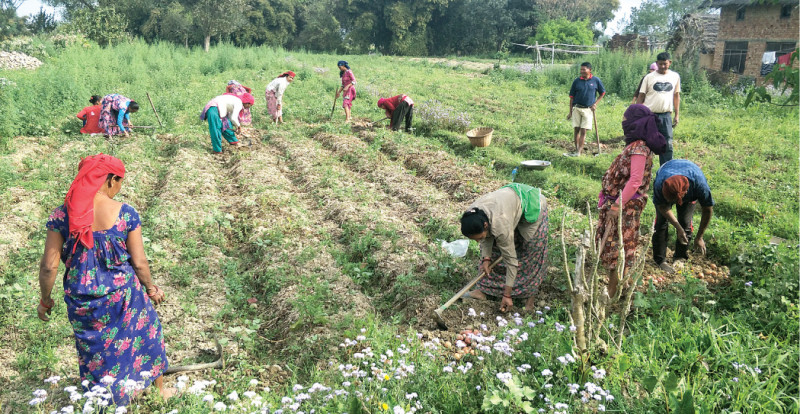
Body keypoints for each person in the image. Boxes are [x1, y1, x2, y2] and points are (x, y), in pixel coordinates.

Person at [37, 154, 170, 404]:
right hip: (124, 296)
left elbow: (48, 267)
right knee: (148, 333)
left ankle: (104, 401)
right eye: (120, 181)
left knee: (96, 353)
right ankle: (158, 392)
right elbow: (139, 263)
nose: (120, 187)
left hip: (83, 301)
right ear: (110, 179)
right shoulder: (125, 213)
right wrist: (151, 289)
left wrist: (45, 300)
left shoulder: (61, 215)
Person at [596, 104, 666, 297]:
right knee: (619, 243)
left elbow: (635, 180)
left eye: (626, 119)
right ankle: (621, 286)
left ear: (636, 123)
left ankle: (614, 291)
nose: (623, 122)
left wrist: (618, 205)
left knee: (618, 244)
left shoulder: (639, 148)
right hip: (622, 204)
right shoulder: (637, 146)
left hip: (626, 206)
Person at [460, 183, 549, 312]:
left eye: (479, 238)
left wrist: (507, 295)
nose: (478, 241)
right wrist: (486, 259)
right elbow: (485, 238)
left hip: (532, 207)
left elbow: (511, 262)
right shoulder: (472, 214)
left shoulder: (499, 224)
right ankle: (483, 291)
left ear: (486, 225)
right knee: (494, 250)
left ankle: (529, 300)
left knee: (530, 252)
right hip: (507, 207)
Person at [651, 159, 714, 273]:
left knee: (685, 223)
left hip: (690, 182)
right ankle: (660, 260)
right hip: (668, 169)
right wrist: (677, 227)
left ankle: (680, 257)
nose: (670, 202)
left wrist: (699, 237)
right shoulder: (660, 184)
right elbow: (663, 207)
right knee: (661, 223)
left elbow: (708, 209)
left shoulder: (699, 185)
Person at [636, 52, 681, 164]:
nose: (662, 66)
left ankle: (665, 172)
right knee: (646, 144)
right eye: (660, 64)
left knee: (667, 144)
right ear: (656, 63)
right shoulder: (649, 77)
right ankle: (644, 172)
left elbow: (676, 95)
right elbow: (641, 96)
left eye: (665, 64)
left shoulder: (675, 76)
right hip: (649, 116)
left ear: (669, 63)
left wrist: (677, 114)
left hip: (666, 116)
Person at [566, 62, 605, 157]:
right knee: (576, 130)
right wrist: (570, 112)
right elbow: (571, 97)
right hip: (577, 108)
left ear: (589, 70)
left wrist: (595, 104)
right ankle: (577, 151)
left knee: (584, 131)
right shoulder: (577, 81)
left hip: (588, 110)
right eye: (581, 69)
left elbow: (602, 93)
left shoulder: (596, 80)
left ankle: (579, 151)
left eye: (584, 69)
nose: (581, 71)